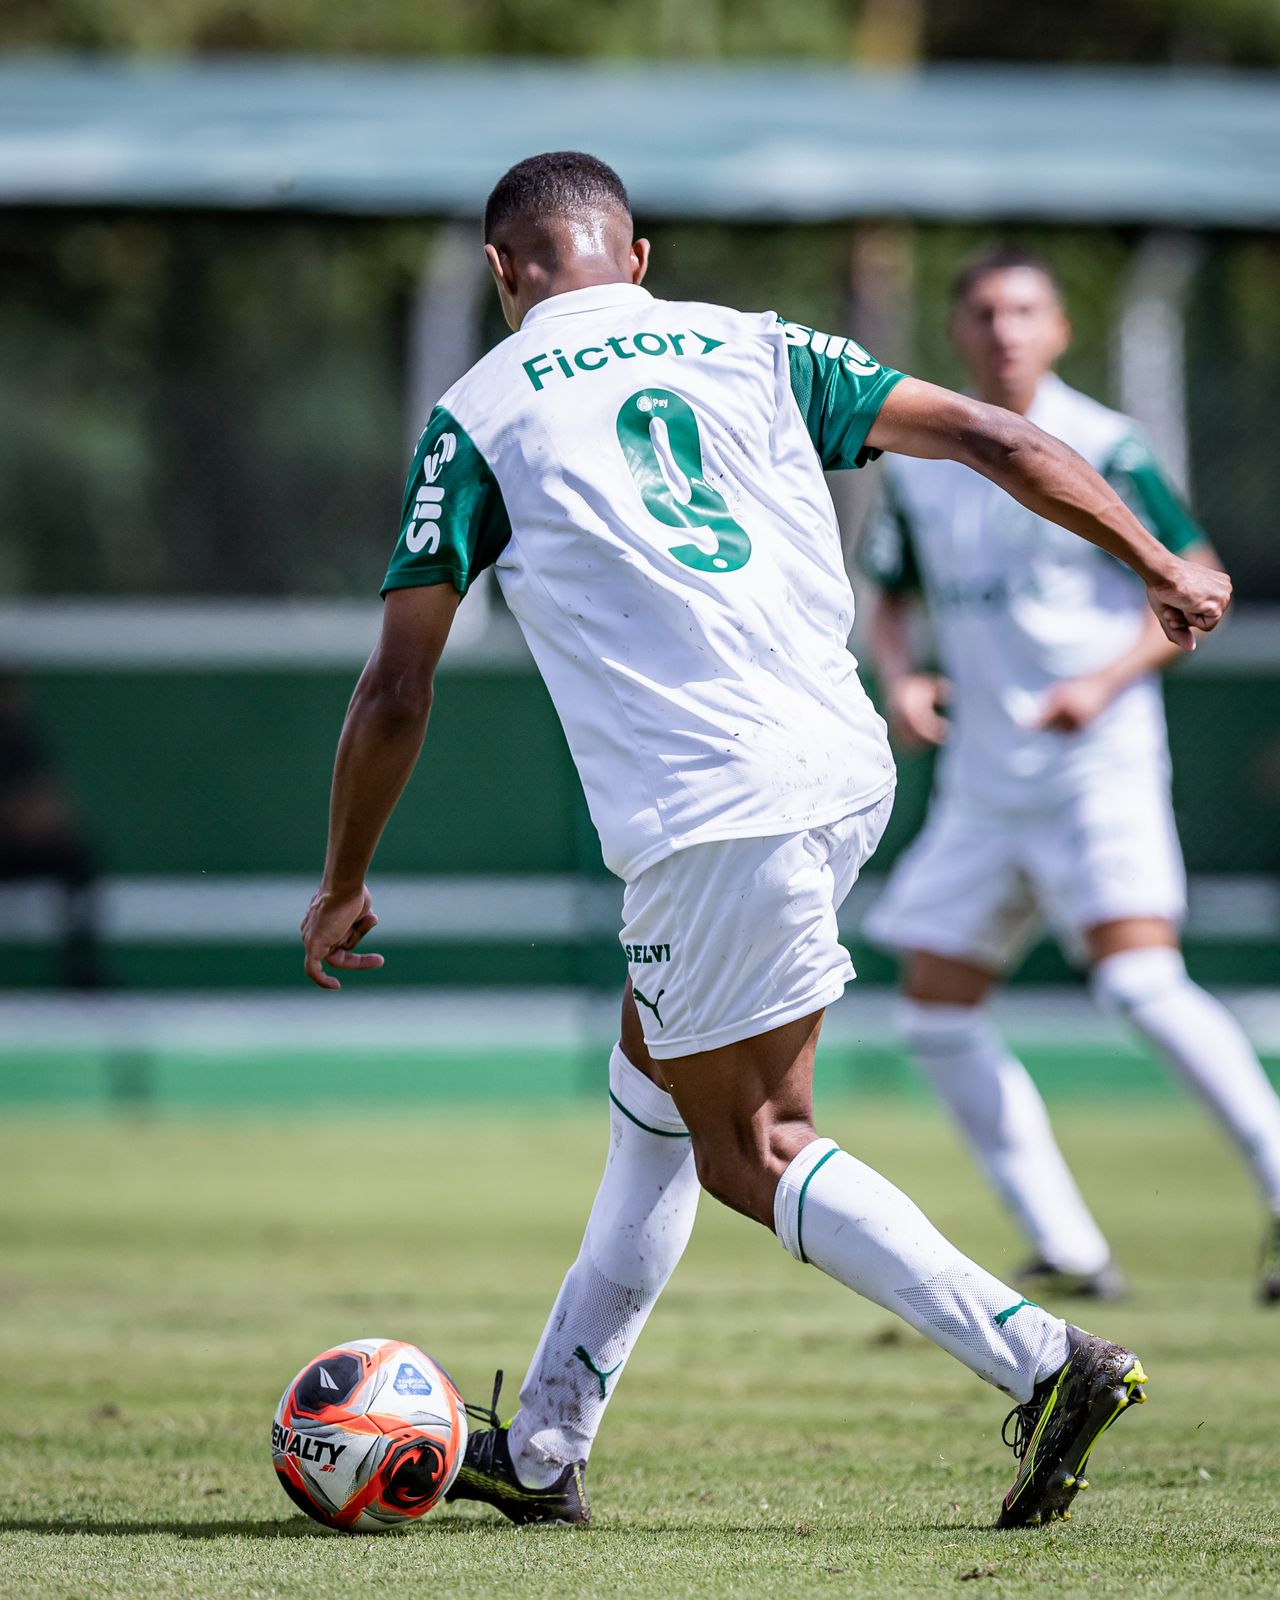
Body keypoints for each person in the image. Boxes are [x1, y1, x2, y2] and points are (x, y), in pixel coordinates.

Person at [300, 156, 1230, 1530]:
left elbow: (395, 690)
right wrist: (1150, 557)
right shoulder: (761, 346)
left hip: (709, 807)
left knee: (756, 1145)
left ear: (505, 274)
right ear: (640, 256)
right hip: (841, 766)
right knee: (654, 1097)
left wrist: (341, 884)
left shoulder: (479, 412)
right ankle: (548, 1447)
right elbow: (996, 437)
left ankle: (1044, 1358)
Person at [860, 245, 1280, 1308]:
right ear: (956, 332)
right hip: (984, 780)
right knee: (931, 1010)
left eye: (1025, 310)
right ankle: (1069, 1249)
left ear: (1057, 331)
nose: (1003, 328)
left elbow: (1200, 580)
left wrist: (1101, 680)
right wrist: (903, 682)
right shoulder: (921, 461)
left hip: (1095, 767)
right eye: (984, 312)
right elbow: (892, 603)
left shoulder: (1101, 443)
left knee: (1139, 980)